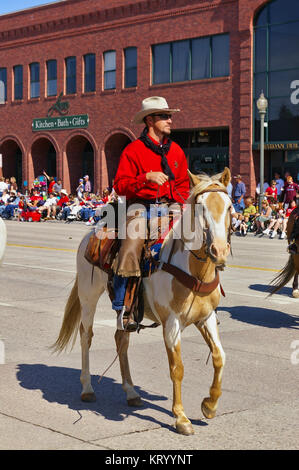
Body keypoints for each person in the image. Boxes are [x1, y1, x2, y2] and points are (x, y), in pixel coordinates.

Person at [112, 96, 190, 331]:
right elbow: (120, 185)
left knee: (199, 235)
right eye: (165, 116)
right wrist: (145, 177)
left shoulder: (175, 150)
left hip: (171, 205)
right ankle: (122, 307)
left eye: (170, 116)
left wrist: (182, 204)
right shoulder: (133, 150)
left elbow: (184, 184)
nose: (170, 120)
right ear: (149, 120)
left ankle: (203, 299)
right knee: (131, 245)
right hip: (141, 207)